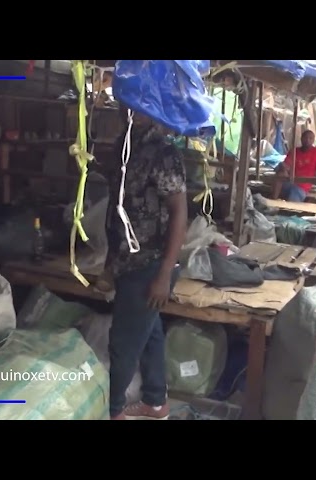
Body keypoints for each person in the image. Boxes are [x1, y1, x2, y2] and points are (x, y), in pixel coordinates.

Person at [106, 106, 188, 420]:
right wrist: (110, 263)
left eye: (140, 107)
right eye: (127, 105)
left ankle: (110, 411)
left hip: (151, 263)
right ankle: (155, 403)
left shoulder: (163, 152)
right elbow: (117, 209)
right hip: (128, 261)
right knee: (150, 334)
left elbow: (180, 212)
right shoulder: (125, 147)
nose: (131, 112)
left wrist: (165, 272)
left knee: (123, 344)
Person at [273, 129, 316, 202]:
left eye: (310, 138)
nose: (307, 140)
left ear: (313, 140)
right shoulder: (294, 151)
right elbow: (286, 165)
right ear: (301, 139)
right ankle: (273, 201)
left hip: (302, 186)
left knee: (291, 205)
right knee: (280, 174)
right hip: (289, 182)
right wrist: (284, 168)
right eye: (305, 138)